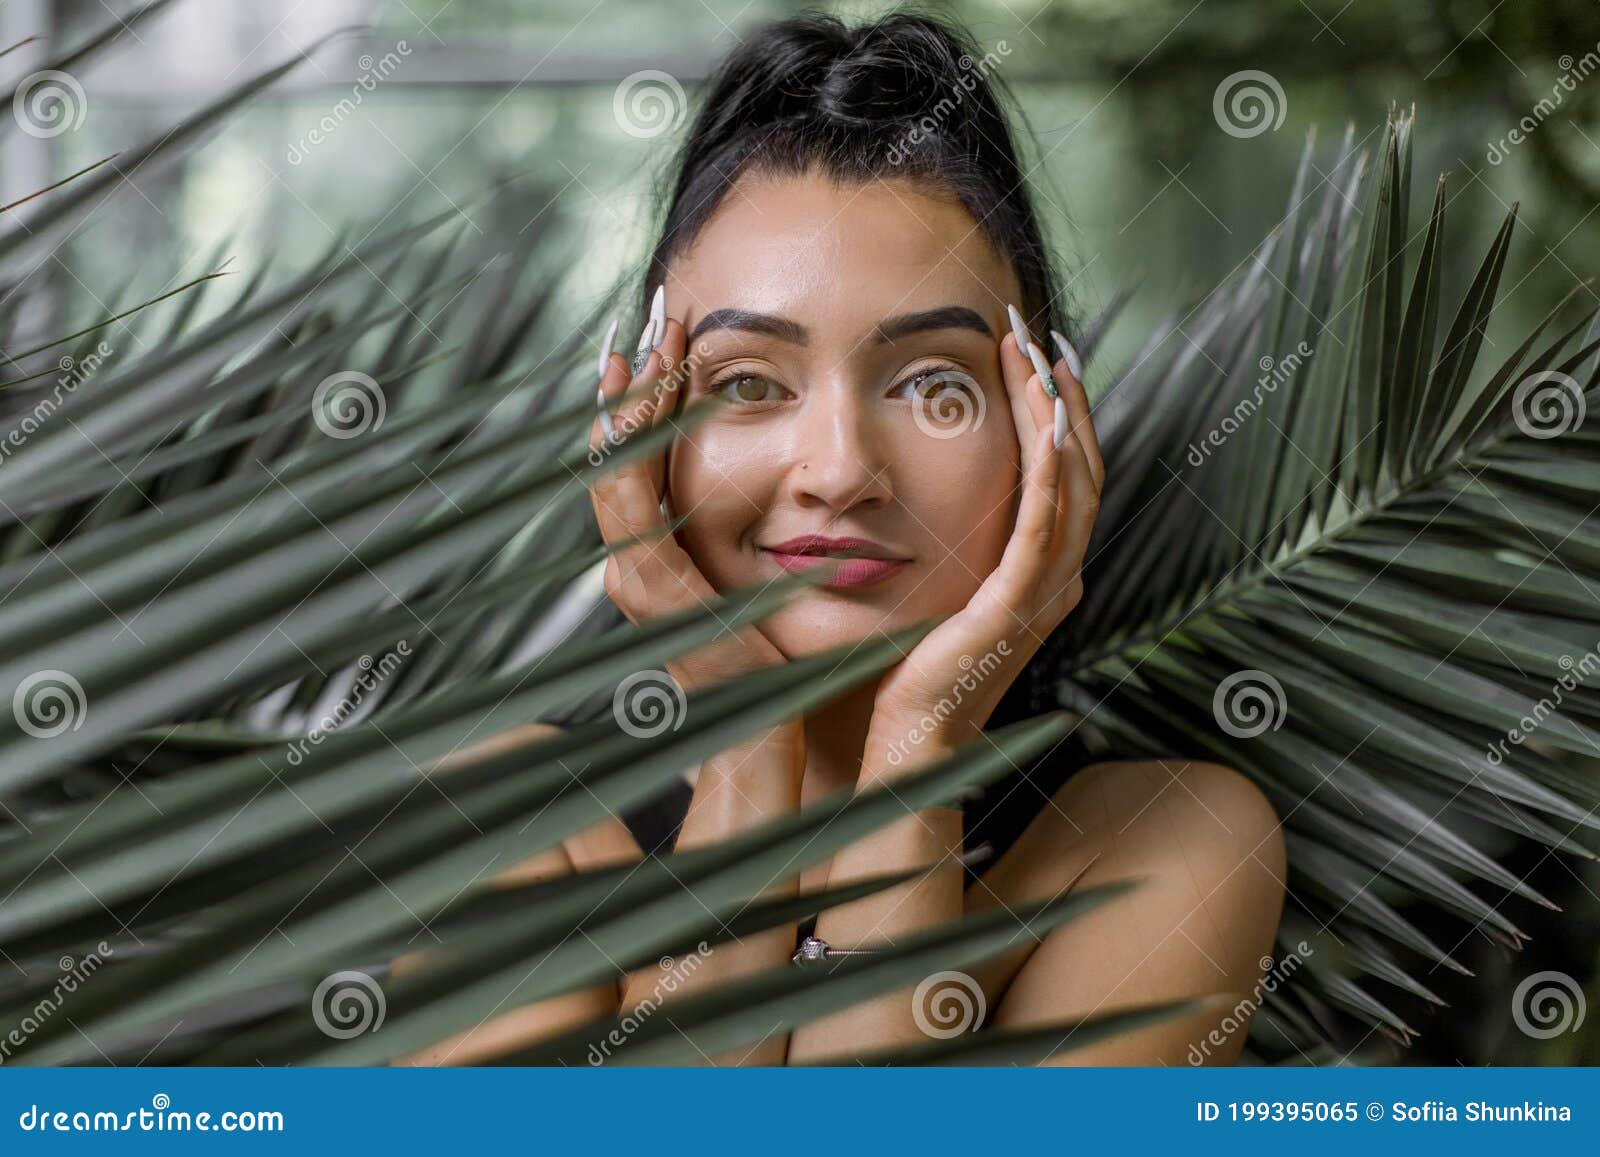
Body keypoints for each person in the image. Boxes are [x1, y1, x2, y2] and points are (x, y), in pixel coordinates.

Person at [405, 9, 1284, 1067]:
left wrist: (918, 751)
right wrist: (743, 750)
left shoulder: (1165, 843)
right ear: (641, 428)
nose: (837, 471)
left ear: (1043, 419)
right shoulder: (505, 825)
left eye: (931, 385)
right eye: (746, 384)